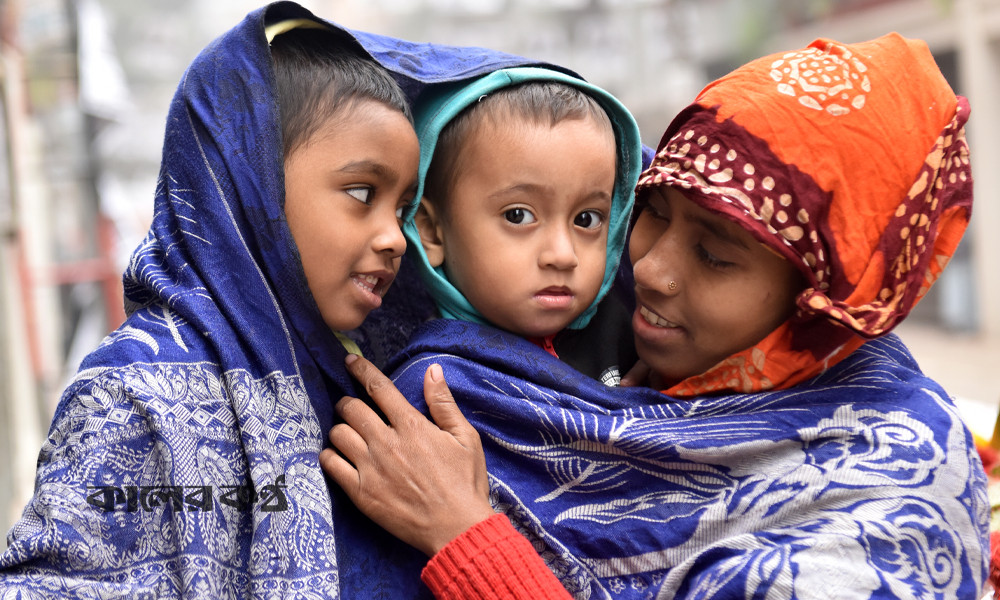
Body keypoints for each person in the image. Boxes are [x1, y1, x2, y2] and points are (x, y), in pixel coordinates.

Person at [320, 33, 989, 599]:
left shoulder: (886, 497)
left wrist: (466, 539)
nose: (649, 270)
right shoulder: (587, 348)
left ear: (818, 307)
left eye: (713, 255)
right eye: (651, 212)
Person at [0, 2, 574, 597]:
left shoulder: (368, 394)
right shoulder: (136, 394)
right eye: (361, 192)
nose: (393, 236)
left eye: (403, 209)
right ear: (254, 186)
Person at [402, 68, 645, 385]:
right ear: (432, 232)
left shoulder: (634, 334)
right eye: (518, 215)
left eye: (587, 219)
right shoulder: (436, 382)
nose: (562, 255)